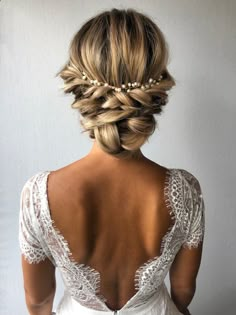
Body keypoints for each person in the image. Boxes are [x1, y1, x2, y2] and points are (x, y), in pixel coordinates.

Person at [18, 8, 205, 315]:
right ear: (155, 91)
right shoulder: (186, 190)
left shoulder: (39, 196)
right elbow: (184, 291)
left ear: (80, 88)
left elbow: (38, 302)